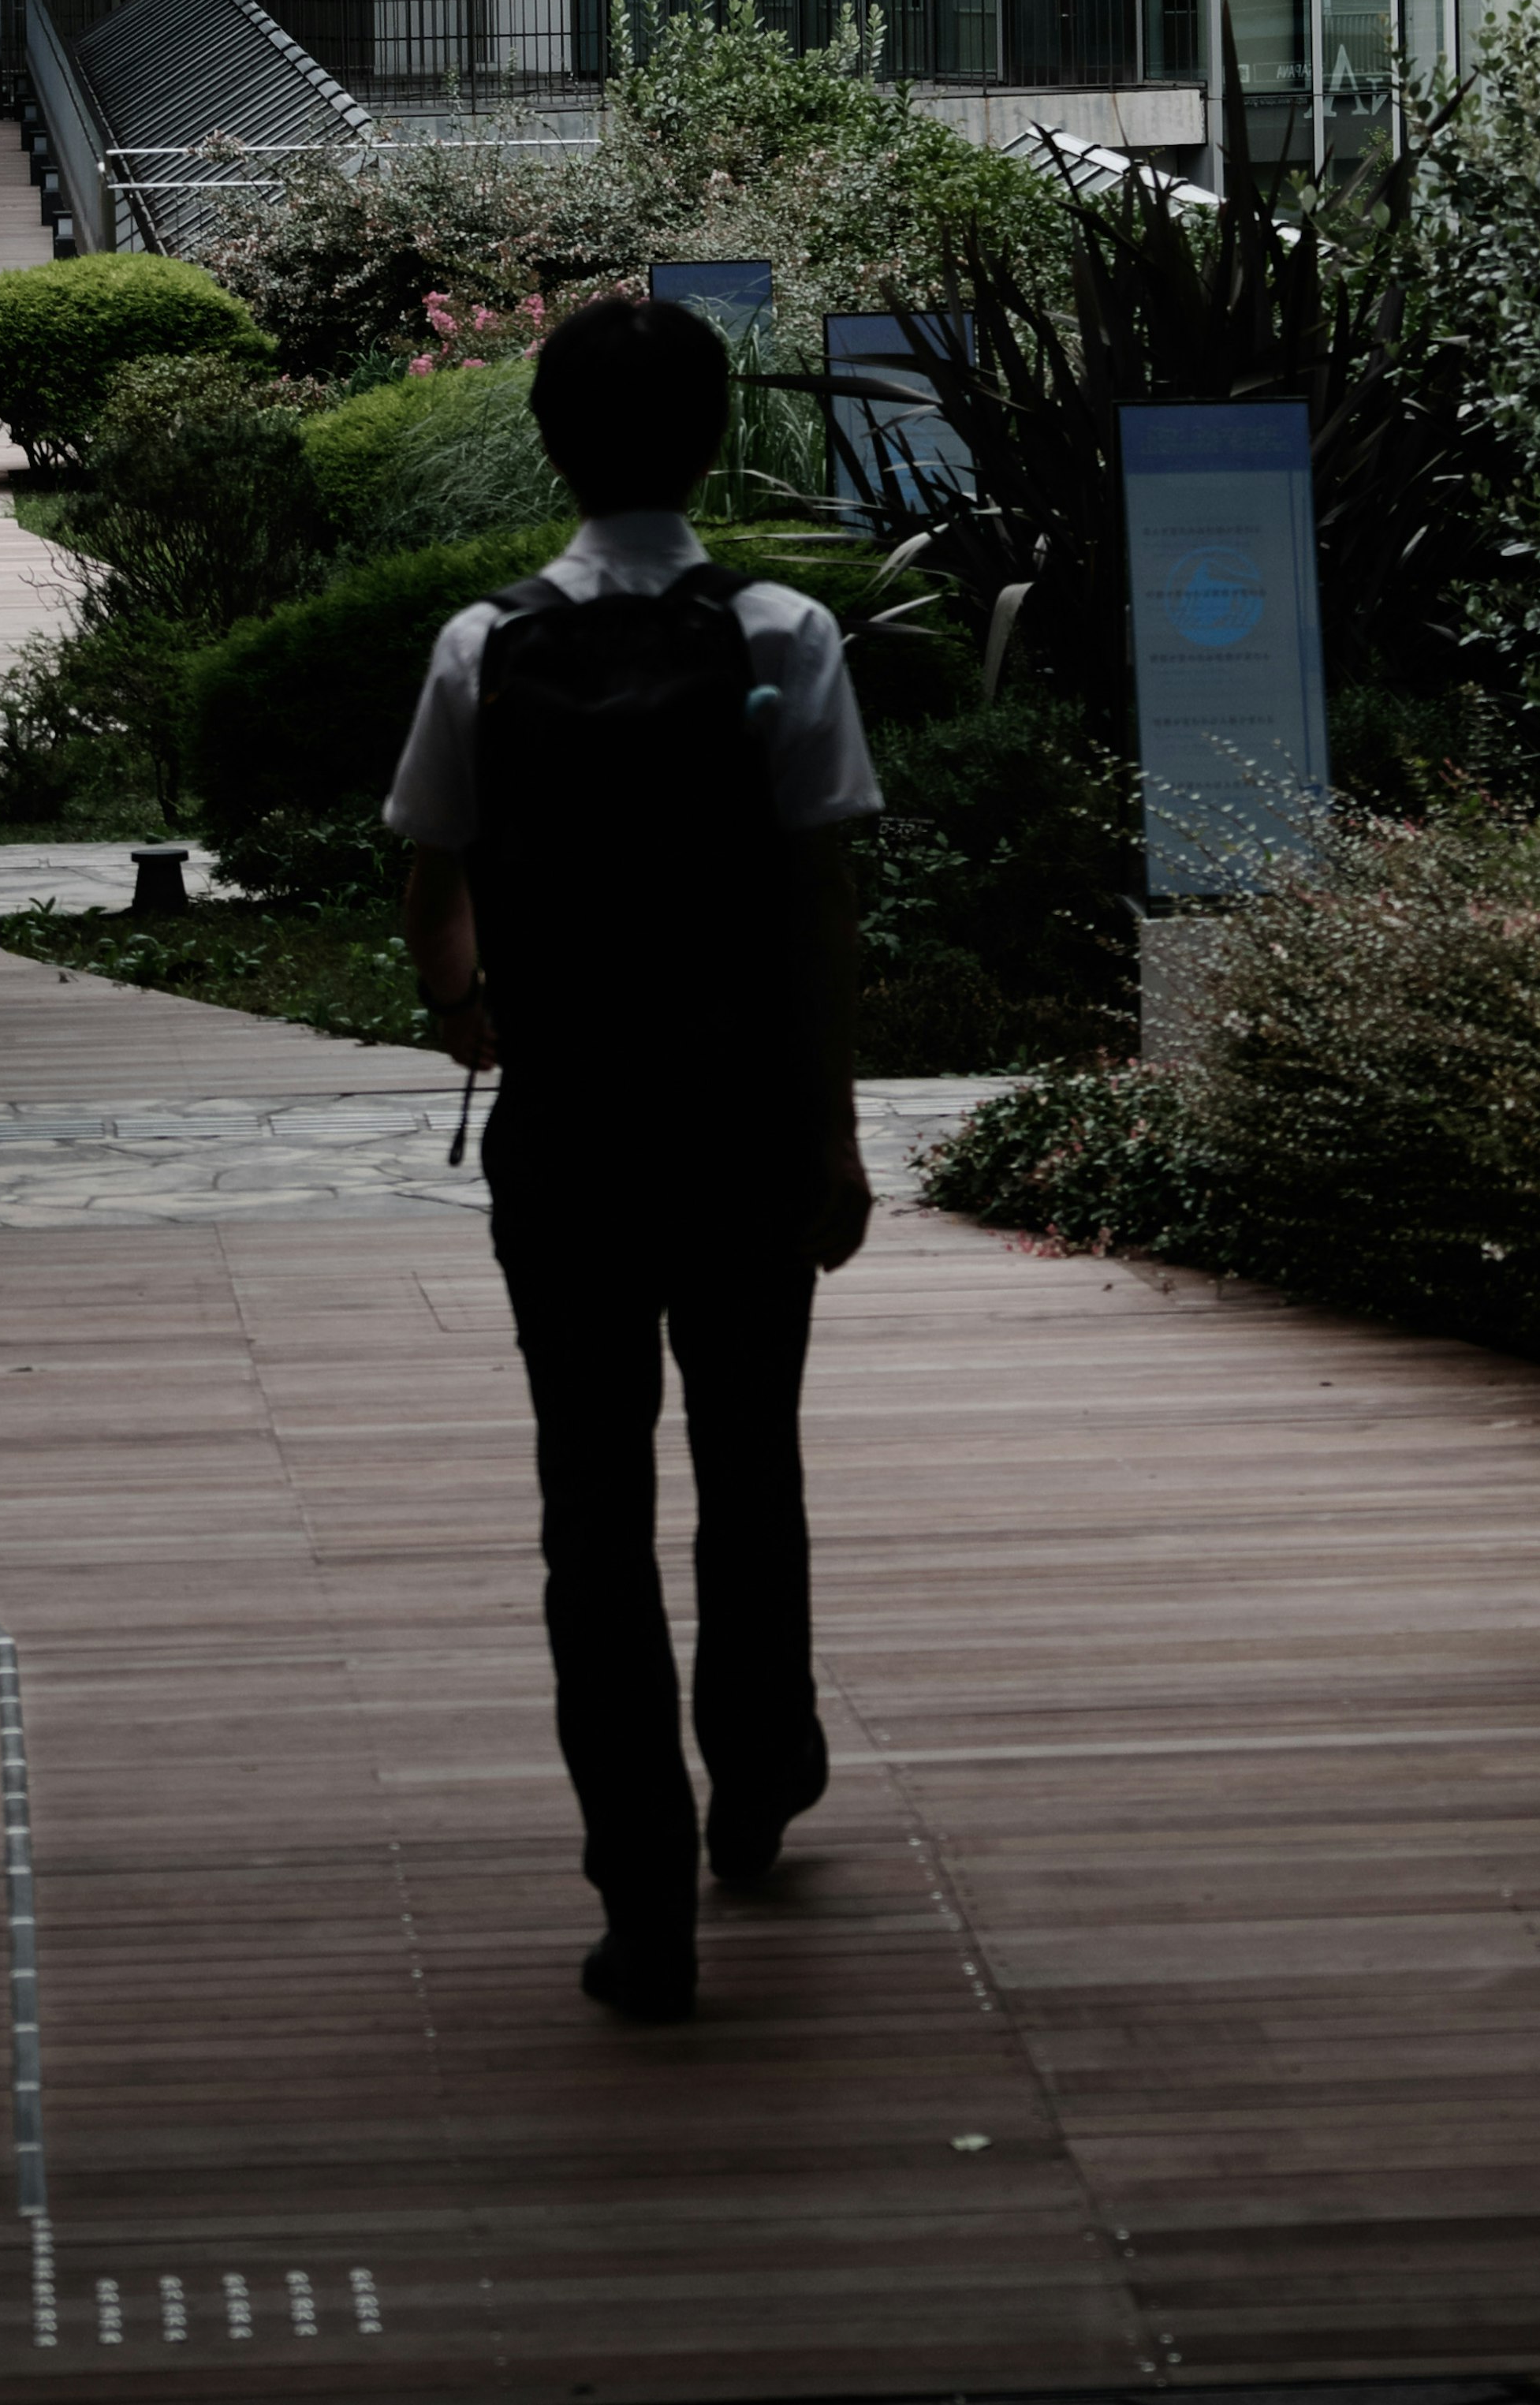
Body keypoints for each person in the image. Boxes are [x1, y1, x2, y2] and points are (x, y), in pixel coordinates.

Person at [384, 290, 880, 2022]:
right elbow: (822, 902)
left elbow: (433, 875)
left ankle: (641, 1895)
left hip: (572, 1138)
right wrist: (833, 1127)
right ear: (713, 430)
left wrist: (466, 1010)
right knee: (752, 1458)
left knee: (591, 1502)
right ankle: (759, 1772)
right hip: (744, 1125)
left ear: (549, 438)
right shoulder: (785, 633)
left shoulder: (481, 646)